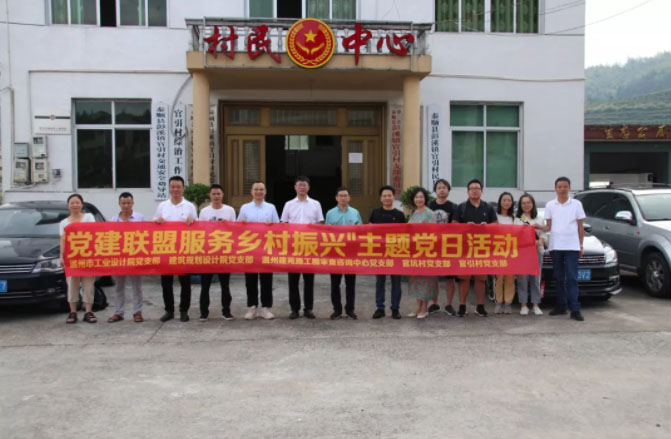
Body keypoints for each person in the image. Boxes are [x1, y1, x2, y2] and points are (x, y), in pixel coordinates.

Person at [535, 177, 585, 321]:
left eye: (565, 186)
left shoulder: (576, 204)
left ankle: (575, 309)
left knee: (572, 278)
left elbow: (580, 227)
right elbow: (548, 226)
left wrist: (581, 245)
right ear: (555, 188)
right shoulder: (550, 205)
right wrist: (538, 227)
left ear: (569, 188)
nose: (562, 189)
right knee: (559, 278)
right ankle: (561, 306)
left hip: (572, 247)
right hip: (556, 246)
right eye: (559, 186)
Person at [154, 175, 197, 322]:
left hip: (183, 250)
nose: (175, 190)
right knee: (166, 282)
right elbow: (154, 224)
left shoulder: (189, 206)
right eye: (173, 187)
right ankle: (169, 310)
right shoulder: (162, 206)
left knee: (185, 282)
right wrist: (158, 221)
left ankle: (184, 310)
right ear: (169, 188)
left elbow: (197, 227)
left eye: (178, 187)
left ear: (183, 188)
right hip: (166, 249)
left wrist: (193, 221)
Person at [280, 176, 324, 319]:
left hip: (309, 246)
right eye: (299, 185)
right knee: (293, 280)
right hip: (293, 247)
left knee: (309, 280)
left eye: (304, 185)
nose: (302, 187)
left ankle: (308, 309)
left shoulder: (316, 204)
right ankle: (294, 309)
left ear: (308, 187)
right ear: (295, 187)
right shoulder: (288, 204)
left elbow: (321, 223)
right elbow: (283, 224)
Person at [453, 179, 498, 317]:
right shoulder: (461, 207)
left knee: (481, 279)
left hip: (482, 248)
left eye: (477, 188)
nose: (474, 191)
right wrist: (466, 226)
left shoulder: (488, 208)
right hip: (464, 248)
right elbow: (453, 225)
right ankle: (462, 306)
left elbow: (496, 225)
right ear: (467, 191)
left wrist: (487, 226)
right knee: (464, 278)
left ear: (481, 191)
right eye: (471, 188)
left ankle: (480, 306)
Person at [237, 181, 279, 320]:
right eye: (256, 189)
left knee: (266, 279)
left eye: (261, 189)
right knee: (250, 279)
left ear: (265, 192)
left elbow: (278, 227)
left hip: (266, 248)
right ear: (252, 192)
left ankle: (265, 308)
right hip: (249, 248)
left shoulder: (271, 207)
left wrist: (272, 225)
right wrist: (242, 223)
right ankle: (252, 307)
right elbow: (237, 227)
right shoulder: (245, 207)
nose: (259, 192)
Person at [198, 184, 236, 321]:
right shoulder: (204, 212)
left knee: (225, 284)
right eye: (213, 194)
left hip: (224, 252)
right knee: (205, 285)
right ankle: (204, 312)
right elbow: (200, 231)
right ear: (210, 195)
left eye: (218, 194)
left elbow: (236, 230)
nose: (216, 196)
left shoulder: (230, 210)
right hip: (208, 253)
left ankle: (226, 311)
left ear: (222, 195)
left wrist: (228, 225)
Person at [325, 186, 363, 320]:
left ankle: (350, 309)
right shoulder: (330, 213)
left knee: (350, 284)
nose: (343, 198)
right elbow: (325, 233)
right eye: (340, 195)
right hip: (335, 253)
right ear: (336, 198)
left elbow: (361, 231)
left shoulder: (355, 212)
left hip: (351, 254)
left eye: (345, 195)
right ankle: (337, 309)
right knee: (335, 284)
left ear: (349, 198)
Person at [108, 192, 146, 323]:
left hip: (135, 256)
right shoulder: (114, 220)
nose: (126, 205)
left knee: (137, 286)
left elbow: (147, 235)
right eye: (123, 203)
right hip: (119, 257)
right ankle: (119, 312)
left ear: (132, 203)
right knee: (119, 286)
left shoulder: (140, 218)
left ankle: (137, 312)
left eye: (128, 203)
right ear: (119, 204)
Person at [369, 185, 406, 320]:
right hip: (379, 253)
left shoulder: (399, 214)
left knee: (396, 282)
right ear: (381, 198)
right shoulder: (375, 213)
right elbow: (369, 231)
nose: (387, 198)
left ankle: (395, 308)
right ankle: (380, 308)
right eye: (384, 196)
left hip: (396, 253)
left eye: (389, 195)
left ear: (393, 197)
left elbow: (404, 235)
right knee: (380, 281)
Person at [60, 194, 97, 324]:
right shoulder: (64, 222)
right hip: (72, 259)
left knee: (88, 285)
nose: (75, 205)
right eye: (72, 203)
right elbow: (63, 240)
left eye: (77, 202)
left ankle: (88, 311)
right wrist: (61, 256)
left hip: (87, 257)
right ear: (68, 205)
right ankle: (73, 312)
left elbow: (94, 233)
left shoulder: (89, 217)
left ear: (81, 204)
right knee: (72, 285)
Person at [406, 187, 439, 319]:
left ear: (425, 198)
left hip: (426, 251)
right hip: (414, 252)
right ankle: (418, 306)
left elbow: (434, 233)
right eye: (416, 197)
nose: (419, 199)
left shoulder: (430, 213)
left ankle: (425, 307)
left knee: (426, 280)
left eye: (421, 197)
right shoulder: (414, 213)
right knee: (415, 280)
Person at [427, 178, 458, 316]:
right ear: (435, 190)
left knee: (450, 277)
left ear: (448, 190)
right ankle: (434, 304)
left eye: (444, 187)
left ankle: (449, 304)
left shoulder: (454, 207)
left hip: (449, 246)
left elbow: (457, 226)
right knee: (433, 276)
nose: (441, 190)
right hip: (432, 246)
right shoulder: (429, 206)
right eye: (439, 187)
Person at [516, 193, 546, 316]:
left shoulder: (539, 218)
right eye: (523, 203)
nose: (526, 205)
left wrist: (540, 241)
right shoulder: (517, 220)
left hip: (536, 251)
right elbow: (514, 237)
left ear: (532, 204)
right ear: (520, 205)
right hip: (522, 253)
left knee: (535, 278)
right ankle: (523, 305)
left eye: (528, 202)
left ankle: (535, 304)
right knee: (522, 279)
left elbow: (543, 234)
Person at [494, 192, 520, 315]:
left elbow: (526, 227)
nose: (506, 202)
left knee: (510, 278)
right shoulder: (495, 217)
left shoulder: (516, 218)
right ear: (500, 202)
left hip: (511, 252)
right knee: (498, 278)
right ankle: (499, 302)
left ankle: (508, 303)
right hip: (498, 251)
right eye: (504, 200)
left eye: (509, 200)